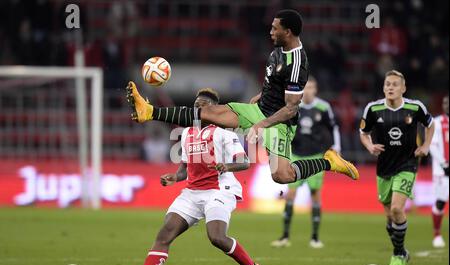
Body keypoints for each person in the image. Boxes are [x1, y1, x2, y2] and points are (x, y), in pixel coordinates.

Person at [126, 9, 359, 186]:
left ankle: (329, 162)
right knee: (209, 113)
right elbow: (275, 82)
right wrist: (262, 95)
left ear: (288, 32)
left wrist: (261, 124)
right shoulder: (278, 49)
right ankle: (150, 111)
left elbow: (290, 109)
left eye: (275, 28)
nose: (270, 31)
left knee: (282, 176)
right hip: (259, 110)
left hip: (279, 122)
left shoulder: (297, 63)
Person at [119, 88, 271, 265]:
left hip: (220, 190)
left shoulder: (224, 132)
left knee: (217, 237)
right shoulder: (188, 133)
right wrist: (175, 177)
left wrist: (227, 166)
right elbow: (184, 169)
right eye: (195, 105)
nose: (197, 108)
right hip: (193, 192)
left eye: (202, 105)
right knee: (165, 233)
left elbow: (243, 162)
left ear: (214, 109)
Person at [360, 70, 435, 265]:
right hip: (384, 167)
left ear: (403, 88)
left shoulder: (415, 107)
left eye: (395, 84)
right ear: (383, 87)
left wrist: (426, 146)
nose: (390, 87)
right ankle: (402, 252)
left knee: (396, 210)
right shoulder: (373, 109)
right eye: (387, 84)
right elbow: (363, 133)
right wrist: (369, 147)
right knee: (389, 218)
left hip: (407, 164)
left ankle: (398, 254)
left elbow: (431, 125)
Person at [271, 76, 341, 248]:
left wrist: (336, 147)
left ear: (315, 90)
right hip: (296, 155)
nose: (308, 90)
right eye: (306, 87)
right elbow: (284, 128)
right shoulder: (294, 107)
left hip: (316, 157)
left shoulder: (323, 107)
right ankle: (285, 236)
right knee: (291, 195)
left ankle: (315, 238)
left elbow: (333, 128)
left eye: (311, 87)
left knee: (315, 196)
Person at [429, 95, 449, 248]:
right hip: (443, 171)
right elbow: (432, 146)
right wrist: (444, 164)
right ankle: (437, 234)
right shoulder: (436, 122)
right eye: (445, 102)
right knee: (441, 201)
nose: (446, 105)